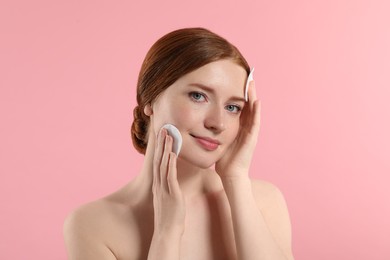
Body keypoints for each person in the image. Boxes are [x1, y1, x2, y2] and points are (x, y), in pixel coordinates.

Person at [63, 27, 294, 260]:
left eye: (232, 107)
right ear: (151, 99)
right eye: (198, 96)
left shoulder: (264, 201)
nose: (218, 123)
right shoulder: (93, 226)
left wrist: (236, 179)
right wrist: (167, 233)